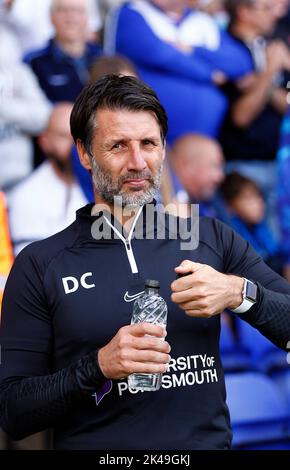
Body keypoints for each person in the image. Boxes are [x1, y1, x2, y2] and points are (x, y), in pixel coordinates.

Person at [0, 75, 290, 451]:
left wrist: (240, 293)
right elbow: (13, 411)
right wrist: (99, 366)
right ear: (85, 153)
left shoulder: (211, 238)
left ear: (163, 149)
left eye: (148, 144)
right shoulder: (41, 264)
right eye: (118, 145)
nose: (137, 162)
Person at [104, 0, 254, 143]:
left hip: (205, 138)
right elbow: (159, 54)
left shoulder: (203, 21)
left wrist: (193, 49)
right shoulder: (133, 11)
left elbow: (240, 63)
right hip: (149, 136)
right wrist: (209, 74)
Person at [7, 103, 87, 256]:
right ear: (44, 142)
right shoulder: (26, 196)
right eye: (64, 136)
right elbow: (33, 266)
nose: (73, 146)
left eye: (78, 137)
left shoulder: (103, 183)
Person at [24, 0, 102, 103]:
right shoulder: (33, 62)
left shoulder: (103, 58)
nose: (71, 17)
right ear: (51, 17)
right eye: (63, 10)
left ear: (87, 18)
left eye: (78, 11)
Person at [220, 172, 283, 274]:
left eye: (258, 196)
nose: (258, 203)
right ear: (230, 206)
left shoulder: (262, 228)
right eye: (248, 198)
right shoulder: (231, 238)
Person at [169, 133, 225, 217]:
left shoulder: (204, 204)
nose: (220, 177)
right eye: (215, 166)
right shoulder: (157, 200)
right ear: (187, 166)